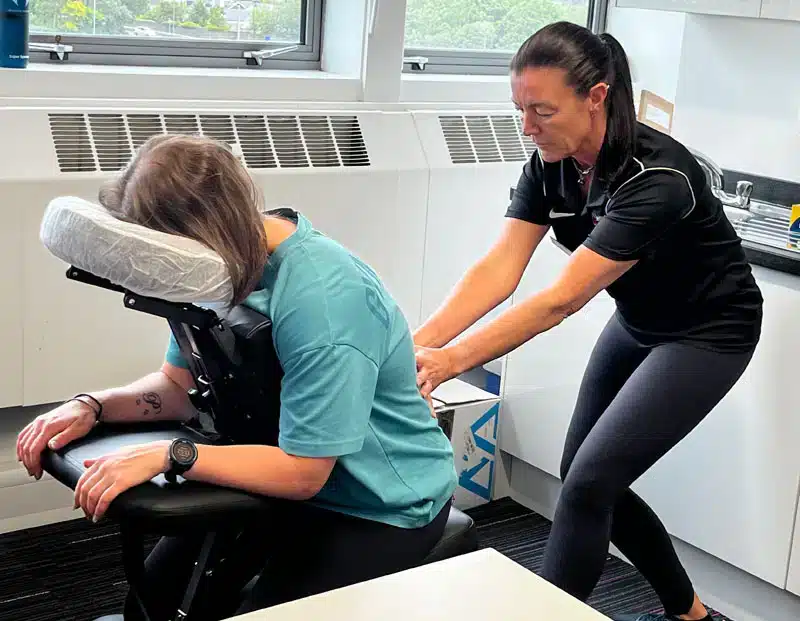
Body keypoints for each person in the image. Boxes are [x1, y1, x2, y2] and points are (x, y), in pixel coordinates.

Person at [16, 134, 458, 620]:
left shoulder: (325, 302)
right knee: (155, 600)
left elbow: (305, 472)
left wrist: (174, 455)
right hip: (274, 469)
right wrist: (92, 406)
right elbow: (176, 388)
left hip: (377, 503)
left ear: (199, 235)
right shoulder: (212, 272)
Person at [413, 21, 762, 621]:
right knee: (589, 476)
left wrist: (451, 363)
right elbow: (500, 268)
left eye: (542, 111)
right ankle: (692, 614)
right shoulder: (550, 160)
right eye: (519, 109)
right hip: (639, 320)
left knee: (587, 486)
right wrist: (417, 345)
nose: (527, 126)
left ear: (596, 96)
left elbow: (561, 300)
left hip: (710, 331)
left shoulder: (657, 178)